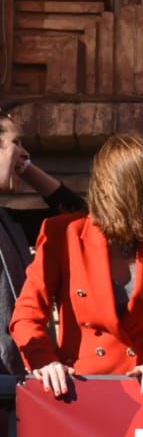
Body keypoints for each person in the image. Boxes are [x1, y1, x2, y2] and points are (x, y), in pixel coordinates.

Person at [11, 134, 143, 401]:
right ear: (132, 191)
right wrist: (45, 363)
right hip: (80, 391)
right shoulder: (64, 233)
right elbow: (27, 315)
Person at [0, 109, 87, 377]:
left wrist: (26, 168)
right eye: (17, 143)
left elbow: (75, 215)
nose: (24, 153)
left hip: (14, 383)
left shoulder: (8, 223)